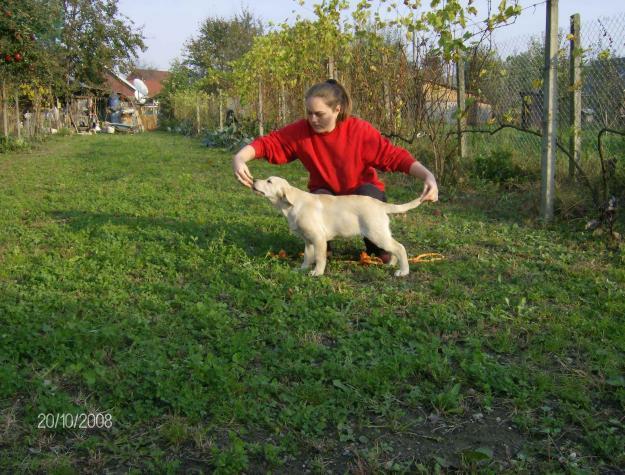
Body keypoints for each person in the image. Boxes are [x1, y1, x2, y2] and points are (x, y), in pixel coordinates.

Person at [232, 79, 438, 262]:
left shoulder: (359, 131)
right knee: (317, 201)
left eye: (319, 114)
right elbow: (270, 144)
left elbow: (394, 156)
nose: (313, 120)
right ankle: (322, 246)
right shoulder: (301, 132)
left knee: (382, 250)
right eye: (309, 113)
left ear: (337, 109)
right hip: (325, 196)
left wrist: (428, 176)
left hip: (361, 194)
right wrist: (240, 157)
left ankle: (377, 247)